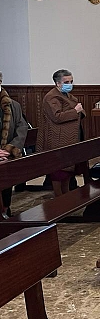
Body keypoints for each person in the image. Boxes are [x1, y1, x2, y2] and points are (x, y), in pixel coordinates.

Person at [36, 69, 88, 197]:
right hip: (57, 140)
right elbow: (57, 117)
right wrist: (75, 111)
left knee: (68, 171)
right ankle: (59, 198)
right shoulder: (51, 97)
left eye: (71, 81)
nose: (70, 84)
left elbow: (80, 110)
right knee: (59, 172)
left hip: (70, 139)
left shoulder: (69, 96)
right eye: (66, 82)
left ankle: (66, 196)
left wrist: (78, 111)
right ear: (58, 83)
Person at [0, 72, 28, 218]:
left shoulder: (13, 105)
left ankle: (6, 209)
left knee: (6, 184)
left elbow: (21, 128)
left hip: (7, 154)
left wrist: (10, 148)